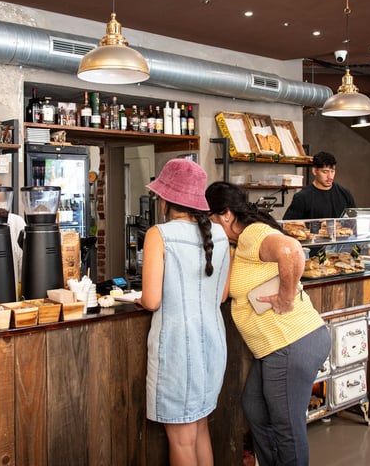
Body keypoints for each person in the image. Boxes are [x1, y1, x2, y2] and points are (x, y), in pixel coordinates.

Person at [205, 181, 331, 466]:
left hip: (291, 341)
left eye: (209, 219)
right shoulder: (239, 243)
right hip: (275, 348)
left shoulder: (253, 233)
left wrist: (286, 297)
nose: (208, 226)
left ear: (225, 214)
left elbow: (292, 251)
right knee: (255, 408)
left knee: (287, 426)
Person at [136, 159, 231, 466]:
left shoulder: (159, 234)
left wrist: (136, 300)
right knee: (200, 427)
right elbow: (222, 295)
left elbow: (150, 301)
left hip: (178, 349)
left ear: (165, 199)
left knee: (180, 438)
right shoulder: (219, 234)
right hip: (213, 345)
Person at [283, 151, 355, 219]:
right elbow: (288, 225)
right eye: (325, 172)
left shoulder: (345, 193)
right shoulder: (302, 197)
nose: (330, 176)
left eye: (332, 171)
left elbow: (354, 221)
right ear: (314, 171)